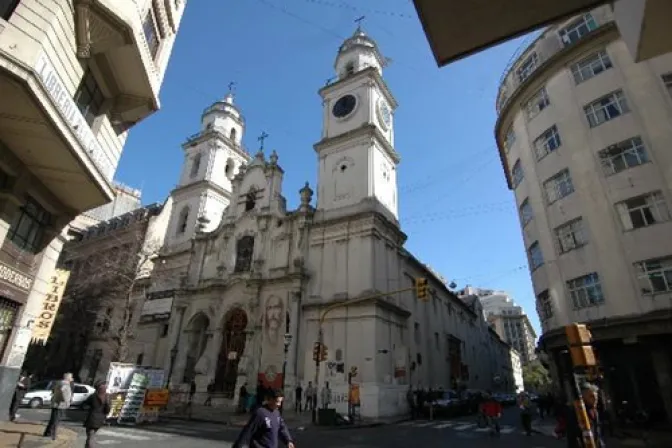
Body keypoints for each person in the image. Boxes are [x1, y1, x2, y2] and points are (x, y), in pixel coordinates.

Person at [43, 373, 73, 440]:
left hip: (56, 403)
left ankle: (47, 433)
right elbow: (63, 392)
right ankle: (53, 435)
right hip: (60, 404)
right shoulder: (65, 384)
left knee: (53, 419)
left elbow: (54, 391)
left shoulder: (59, 383)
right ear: (68, 378)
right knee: (56, 420)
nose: (72, 379)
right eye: (71, 377)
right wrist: (66, 401)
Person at [83, 382, 111, 447]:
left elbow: (85, 404)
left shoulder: (93, 396)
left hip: (91, 418)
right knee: (92, 435)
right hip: (100, 419)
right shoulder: (107, 397)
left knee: (90, 436)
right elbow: (107, 410)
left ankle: (89, 446)